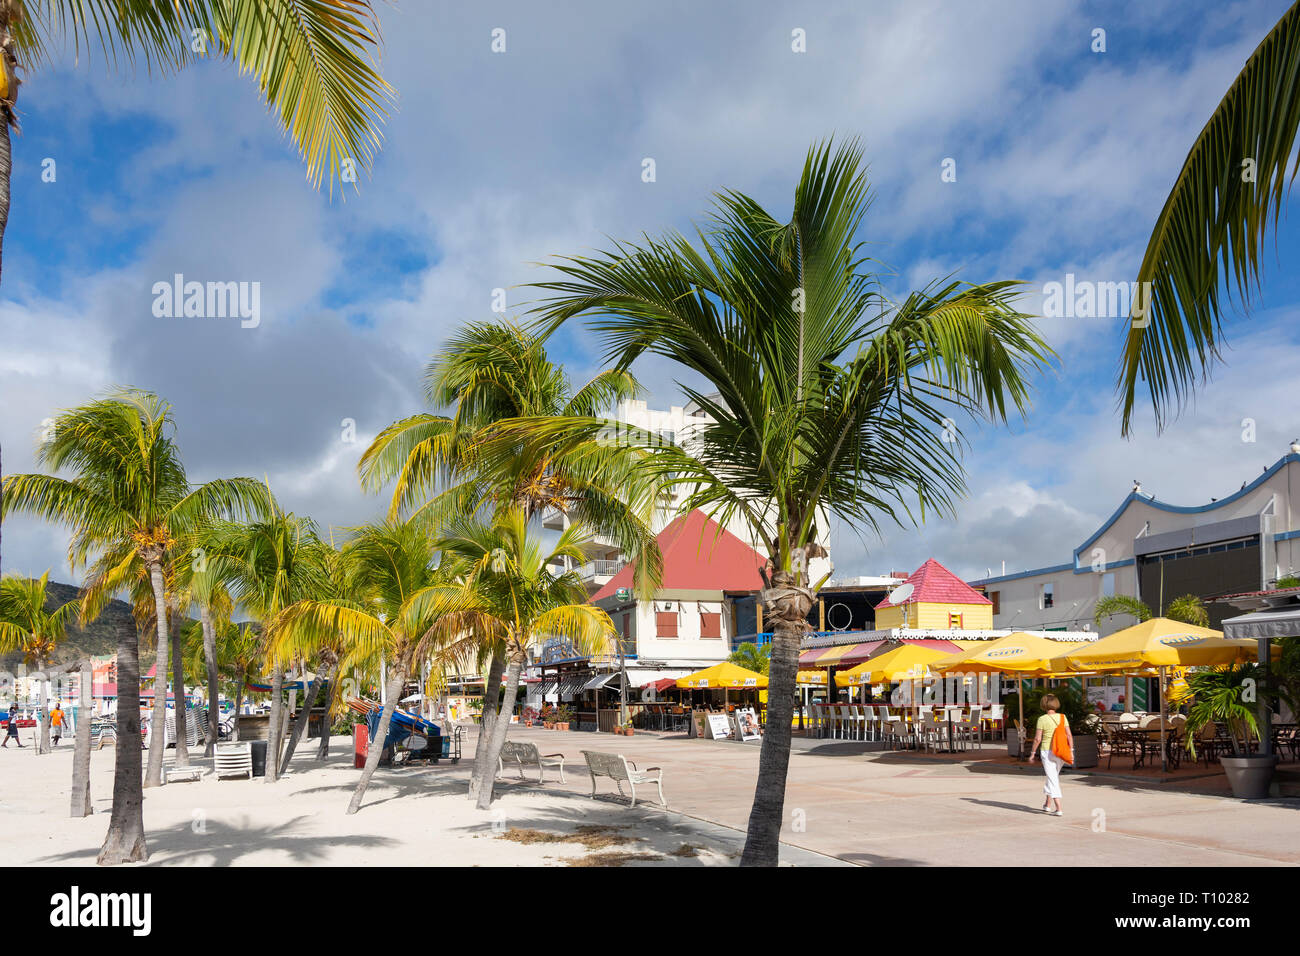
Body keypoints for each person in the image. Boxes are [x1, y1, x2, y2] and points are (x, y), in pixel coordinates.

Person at [1028, 693, 1072, 816]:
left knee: (1052, 779)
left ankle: (1059, 808)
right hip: (1061, 751)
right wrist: (1071, 751)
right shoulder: (1063, 717)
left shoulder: (1042, 719)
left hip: (1047, 752)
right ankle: (1047, 804)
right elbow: (1069, 735)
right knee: (1052, 776)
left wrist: (1032, 753)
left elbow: (1037, 739)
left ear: (1044, 705)